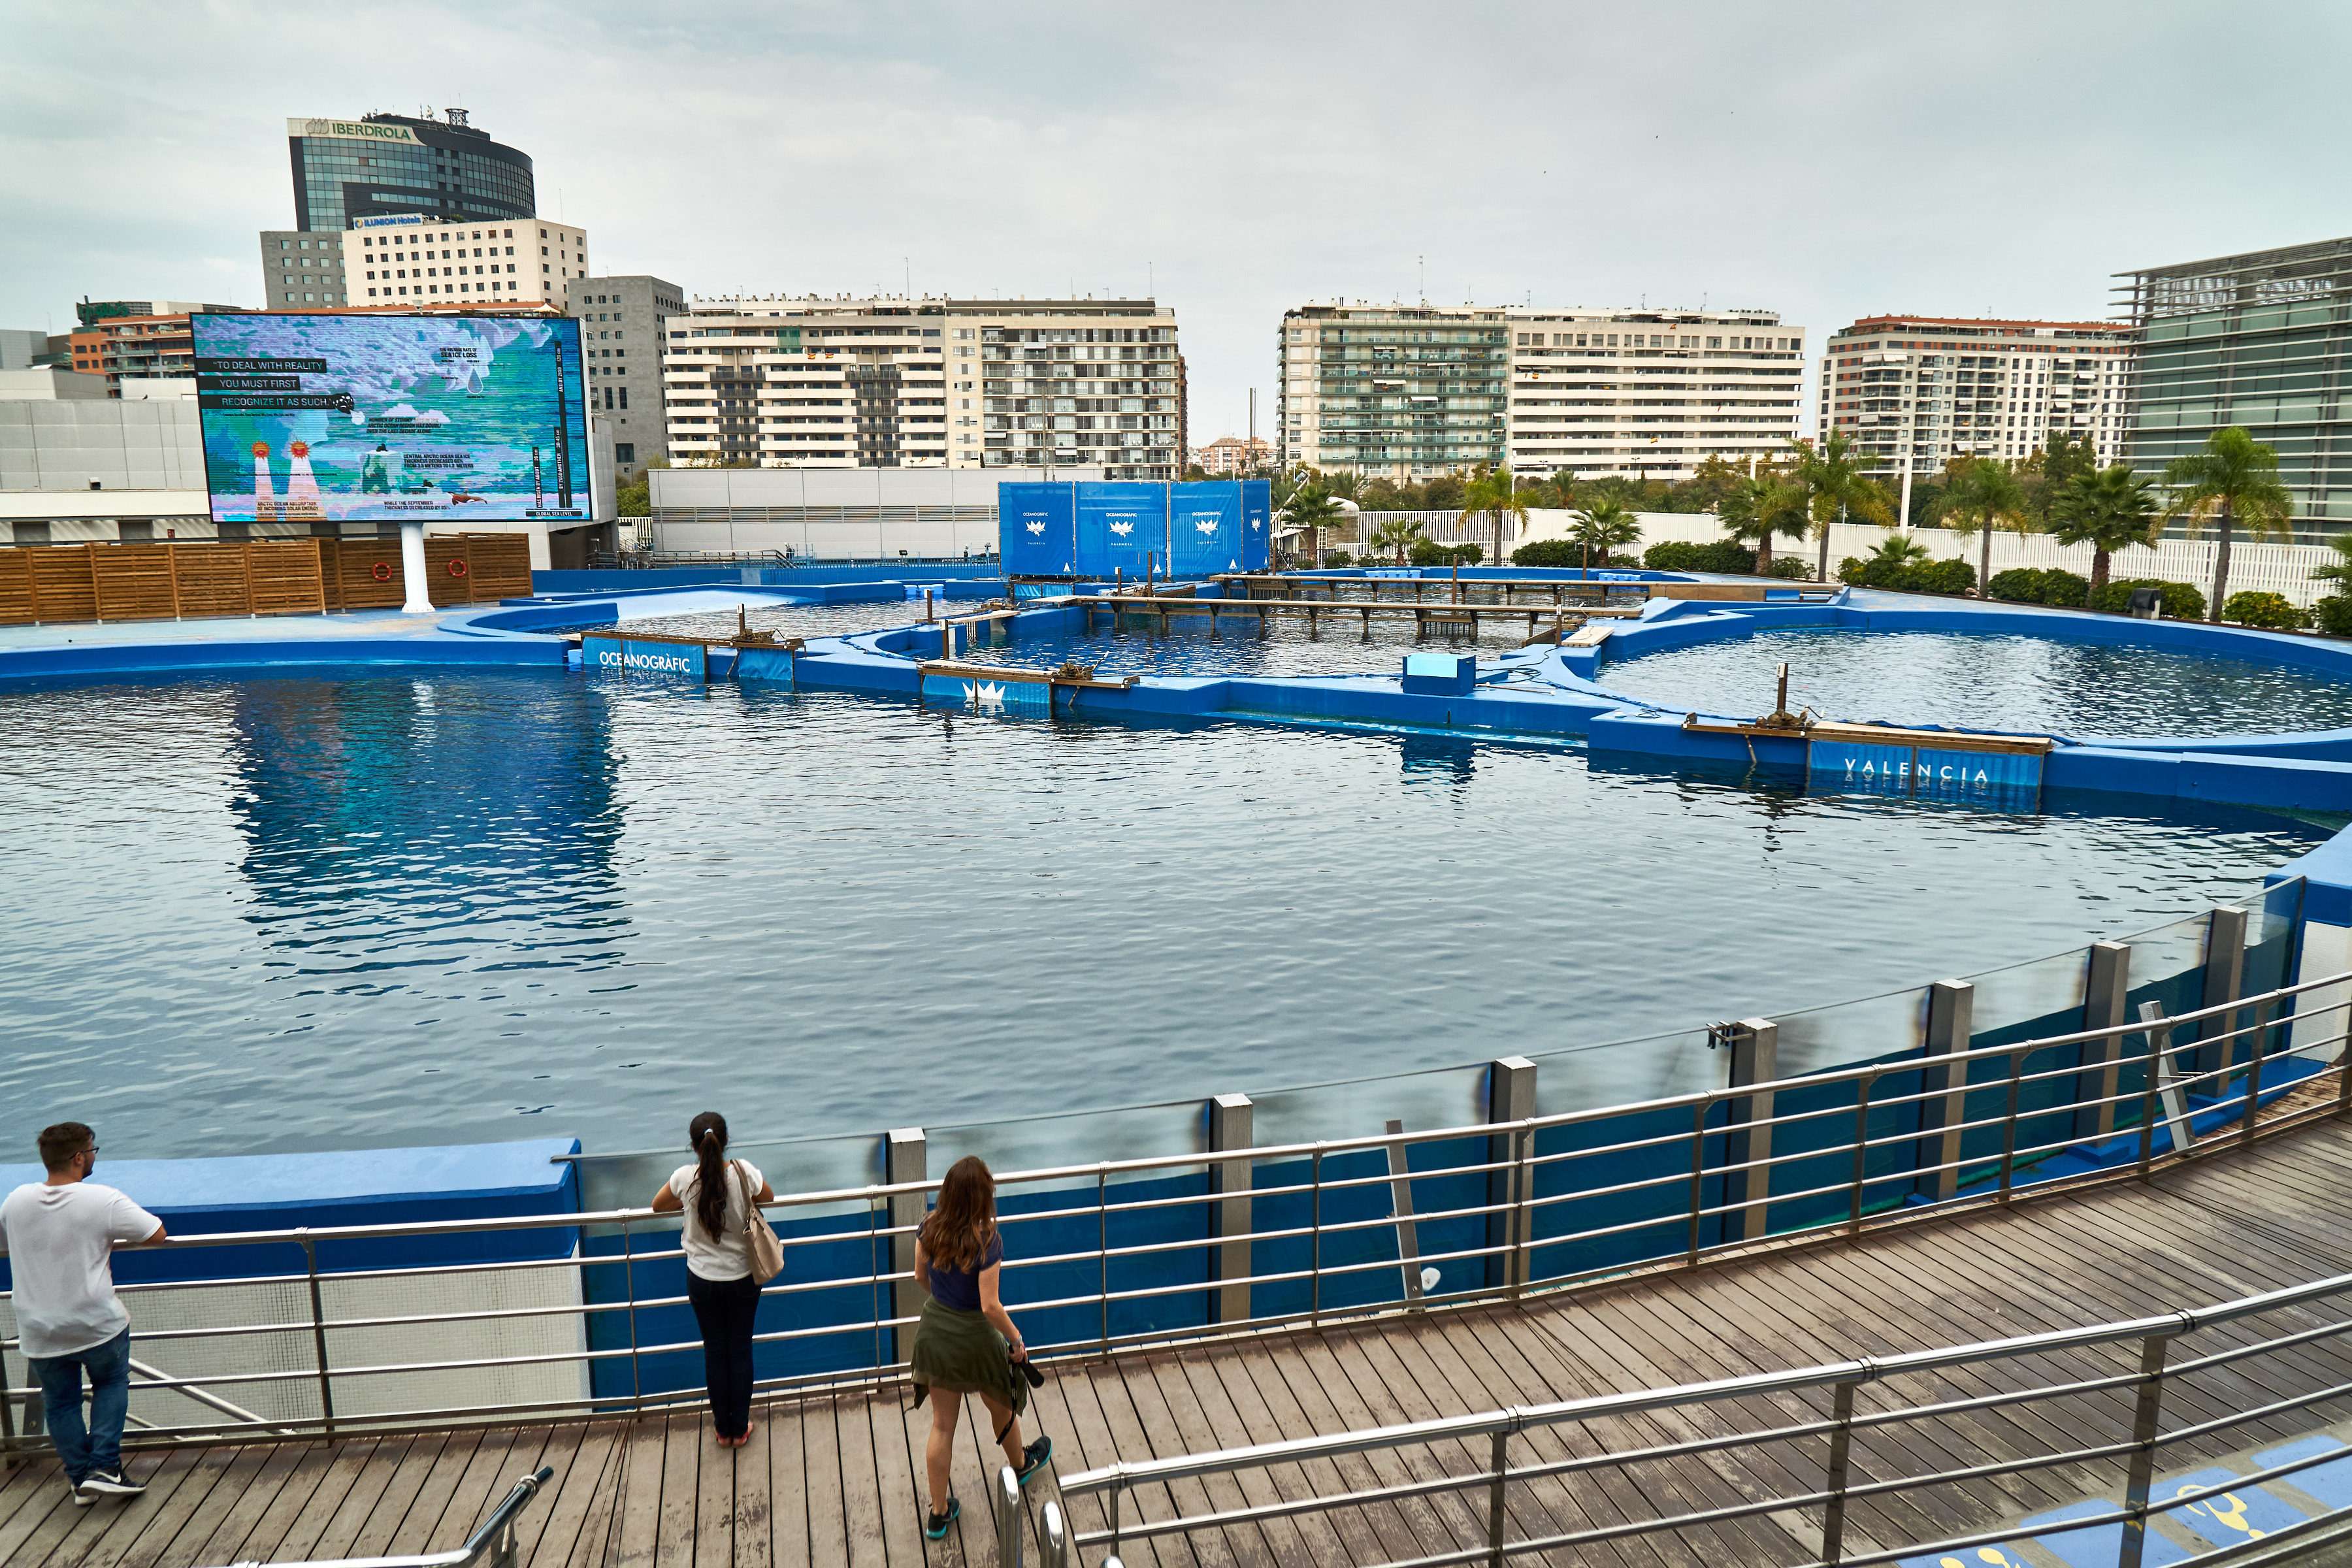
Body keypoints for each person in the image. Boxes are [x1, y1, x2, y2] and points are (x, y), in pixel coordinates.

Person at [0, 1122, 166, 1505]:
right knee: (110, 1384)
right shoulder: (102, 1200)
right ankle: (104, 1468)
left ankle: (80, 1480)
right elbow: (155, 1233)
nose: (94, 1156)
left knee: (60, 1402)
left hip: (38, 1325)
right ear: (79, 1158)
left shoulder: (15, 1201)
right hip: (95, 1322)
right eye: (93, 1150)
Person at [909, 1156, 1050, 1540]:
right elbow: (990, 1306)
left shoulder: (927, 1228)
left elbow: (921, 1276)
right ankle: (1021, 1465)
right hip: (976, 1337)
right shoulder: (988, 1240)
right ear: (983, 1197)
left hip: (936, 1333)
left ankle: (938, 1514)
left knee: (942, 1425)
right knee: (1001, 1404)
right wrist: (1017, 1341)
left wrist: (942, 1303)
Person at [649, 1111, 772, 1446]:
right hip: (744, 1277)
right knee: (740, 1349)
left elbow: (658, 1205)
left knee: (715, 1352)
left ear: (693, 1146)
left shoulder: (684, 1178)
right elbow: (769, 1197)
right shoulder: (743, 1172)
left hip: (702, 1279)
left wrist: (692, 1203)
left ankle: (723, 1430)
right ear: (726, 1140)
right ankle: (740, 1427)